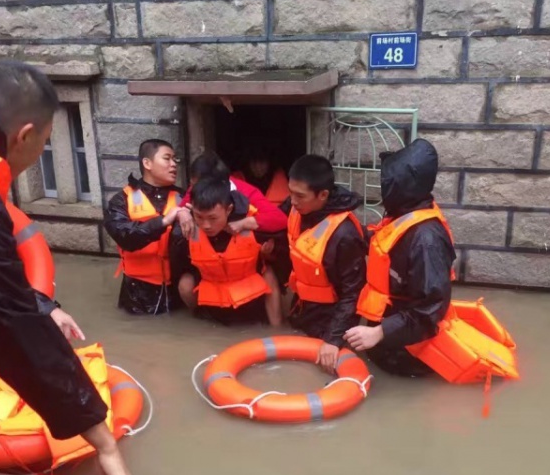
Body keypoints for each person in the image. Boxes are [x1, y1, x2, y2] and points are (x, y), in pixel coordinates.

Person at [0, 62, 141, 475]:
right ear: (23, 136)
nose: (37, 155)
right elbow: (15, 333)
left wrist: (42, 302)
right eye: (44, 146)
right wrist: (104, 442)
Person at [344, 139, 456, 377]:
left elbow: (430, 309)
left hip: (410, 355)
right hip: (387, 339)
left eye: (386, 182)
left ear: (401, 186)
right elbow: (385, 242)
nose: (382, 188)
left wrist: (379, 332)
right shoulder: (407, 212)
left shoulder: (426, 240)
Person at [284, 155, 367, 375]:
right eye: (290, 192)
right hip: (302, 309)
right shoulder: (298, 207)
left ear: (323, 195)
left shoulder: (345, 234)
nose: (292, 201)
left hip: (331, 321)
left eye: (299, 196)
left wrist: (333, 339)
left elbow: (353, 293)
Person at [170, 177, 282, 327]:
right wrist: (181, 213)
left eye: (213, 218)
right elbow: (177, 265)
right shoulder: (185, 230)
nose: (206, 225)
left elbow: (283, 251)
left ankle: (277, 328)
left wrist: (267, 253)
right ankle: (199, 321)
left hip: (250, 300)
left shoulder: (250, 224)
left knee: (269, 273)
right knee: (185, 283)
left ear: (228, 209)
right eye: (199, 217)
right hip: (212, 299)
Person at [104, 139, 182, 315]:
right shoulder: (121, 200)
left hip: (176, 289)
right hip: (137, 294)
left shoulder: (184, 197)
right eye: (167, 158)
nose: (173, 164)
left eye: (175, 160)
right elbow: (125, 236)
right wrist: (162, 222)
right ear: (147, 163)